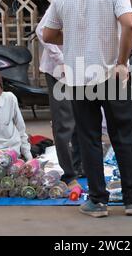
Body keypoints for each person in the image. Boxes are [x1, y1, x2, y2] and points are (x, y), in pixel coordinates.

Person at [43, 0, 132, 217]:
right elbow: (129, 26)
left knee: (89, 138)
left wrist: (72, 41)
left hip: (78, 76)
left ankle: (97, 202)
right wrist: (121, 61)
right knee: (123, 136)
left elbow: (48, 33)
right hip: (110, 74)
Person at [36, 10, 84, 184]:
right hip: (58, 71)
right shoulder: (63, 0)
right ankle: (69, 173)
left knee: (82, 120)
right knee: (64, 124)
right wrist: (61, 59)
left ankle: (80, 166)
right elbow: (41, 31)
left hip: (80, 71)